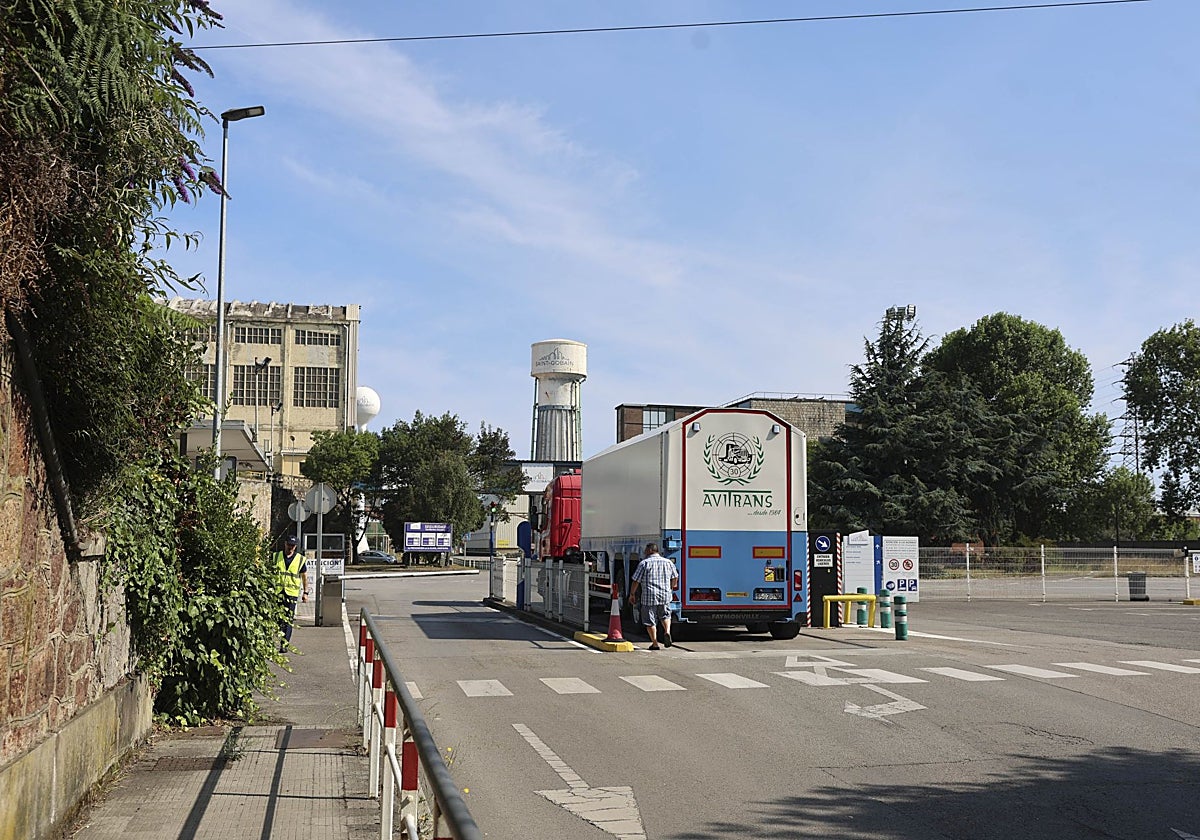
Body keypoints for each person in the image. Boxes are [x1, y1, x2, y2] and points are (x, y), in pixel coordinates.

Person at [629, 542, 679, 650]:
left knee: (649, 621)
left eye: (646, 550)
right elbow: (675, 577)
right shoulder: (668, 562)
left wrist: (632, 594)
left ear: (650, 550)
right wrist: (671, 587)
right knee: (665, 616)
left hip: (649, 596)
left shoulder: (644, 563)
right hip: (665, 595)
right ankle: (667, 631)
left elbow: (636, 580)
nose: (644, 552)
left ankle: (655, 643)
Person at [275, 535, 308, 651]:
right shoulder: (276, 557)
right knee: (278, 619)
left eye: (293, 546)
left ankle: (284, 644)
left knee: (288, 619)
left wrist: (305, 592)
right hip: (277, 592)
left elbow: (304, 577)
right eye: (289, 545)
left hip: (292, 594)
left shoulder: (300, 559)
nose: (291, 547)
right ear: (285, 544)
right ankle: (280, 637)